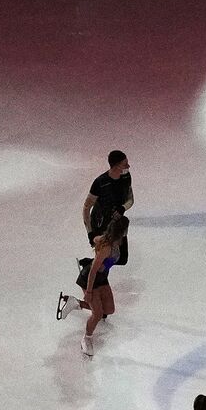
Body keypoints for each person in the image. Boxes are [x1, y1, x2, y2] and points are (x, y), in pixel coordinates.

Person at [57, 215, 129, 357]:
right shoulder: (106, 247)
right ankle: (87, 338)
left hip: (102, 278)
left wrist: (97, 241)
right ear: (122, 230)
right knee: (97, 315)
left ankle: (75, 303)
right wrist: (89, 292)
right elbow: (93, 271)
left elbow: (96, 239)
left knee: (109, 309)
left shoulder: (115, 241)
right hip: (91, 279)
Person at [82, 151, 133, 266]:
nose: (128, 166)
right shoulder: (100, 183)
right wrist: (90, 233)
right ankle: (92, 271)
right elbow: (86, 208)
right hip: (101, 224)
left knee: (122, 259)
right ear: (116, 166)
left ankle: (90, 263)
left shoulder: (126, 177)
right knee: (104, 257)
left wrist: (123, 208)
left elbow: (131, 199)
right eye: (125, 164)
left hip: (117, 223)